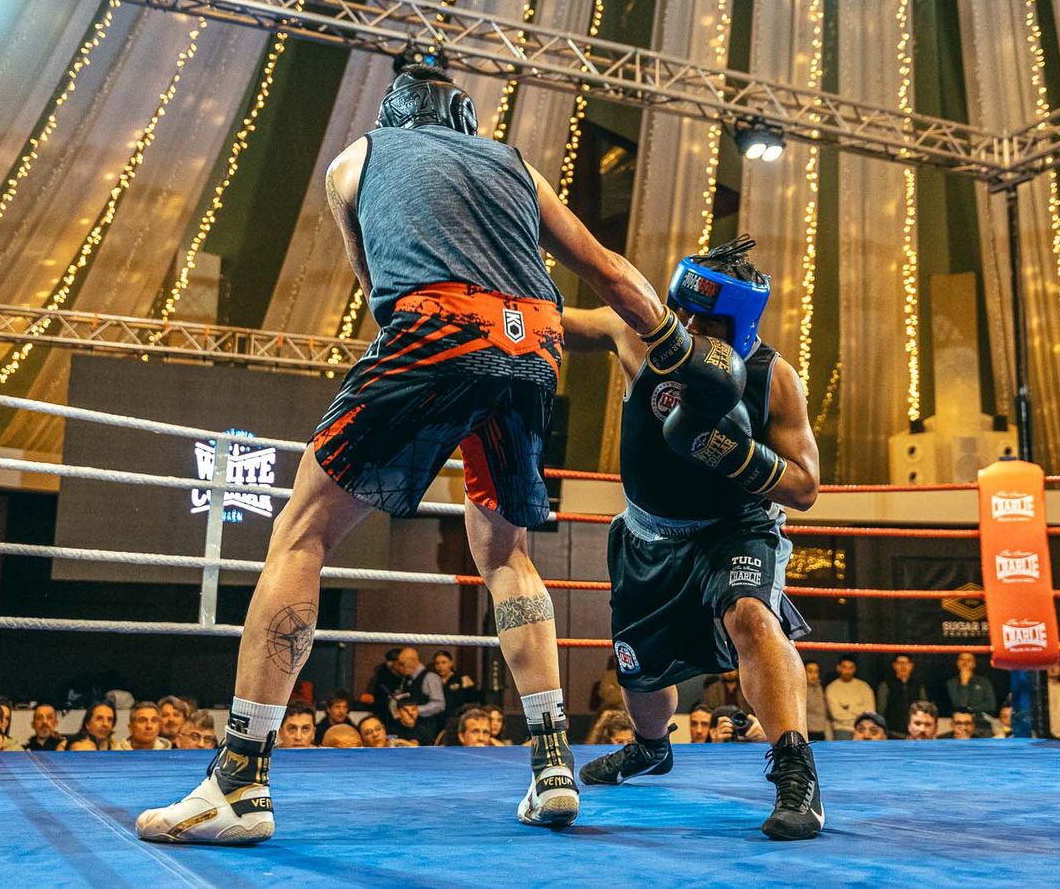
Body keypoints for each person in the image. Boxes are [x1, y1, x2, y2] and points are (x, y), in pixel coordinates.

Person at [139, 63, 681, 843]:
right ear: (462, 116)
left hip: (434, 327)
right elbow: (604, 267)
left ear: (391, 116)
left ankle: (240, 779)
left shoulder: (355, 161)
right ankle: (554, 765)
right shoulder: (514, 162)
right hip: (535, 346)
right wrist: (677, 350)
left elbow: (376, 291)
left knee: (302, 533)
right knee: (507, 555)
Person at [564, 236, 824, 840]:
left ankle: (796, 772)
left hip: (734, 528)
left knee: (753, 618)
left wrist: (736, 457)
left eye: (702, 316)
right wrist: (494, 317)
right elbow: (557, 323)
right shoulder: (641, 336)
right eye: (681, 307)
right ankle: (652, 749)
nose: (684, 323)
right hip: (648, 538)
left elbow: (807, 486)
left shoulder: (772, 378)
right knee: (640, 675)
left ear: (736, 321)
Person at [823, 656, 874, 739]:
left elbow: (870, 711)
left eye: (851, 668)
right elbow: (836, 714)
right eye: (844, 667)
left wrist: (849, 708)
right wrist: (859, 711)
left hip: (863, 730)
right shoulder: (831, 688)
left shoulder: (864, 686)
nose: (848, 671)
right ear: (838, 668)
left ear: (855, 669)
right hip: (842, 730)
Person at [877, 655, 926, 740]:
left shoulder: (918, 686)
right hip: (891, 734)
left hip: (915, 734)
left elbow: (924, 710)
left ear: (911, 666)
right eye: (900, 663)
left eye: (906, 663)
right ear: (894, 665)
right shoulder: (885, 685)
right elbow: (881, 711)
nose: (903, 666)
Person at [945, 653, 997, 721]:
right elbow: (960, 706)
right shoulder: (951, 683)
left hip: (981, 721)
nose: (965, 662)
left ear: (974, 664)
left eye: (969, 660)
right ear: (957, 663)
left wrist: (971, 709)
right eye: (962, 659)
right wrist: (964, 684)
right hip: (961, 721)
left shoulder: (984, 682)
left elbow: (991, 705)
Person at [432, 651, 481, 720]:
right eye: (437, 663)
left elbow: (474, 701)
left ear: (450, 663)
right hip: (437, 719)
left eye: (443, 662)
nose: (440, 666)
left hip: (457, 719)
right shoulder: (432, 680)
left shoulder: (461, 679)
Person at [803, 661, 832, 741]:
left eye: (816, 671)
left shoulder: (822, 688)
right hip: (807, 732)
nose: (813, 675)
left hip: (822, 731)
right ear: (803, 671)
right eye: (810, 671)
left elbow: (825, 713)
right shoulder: (799, 690)